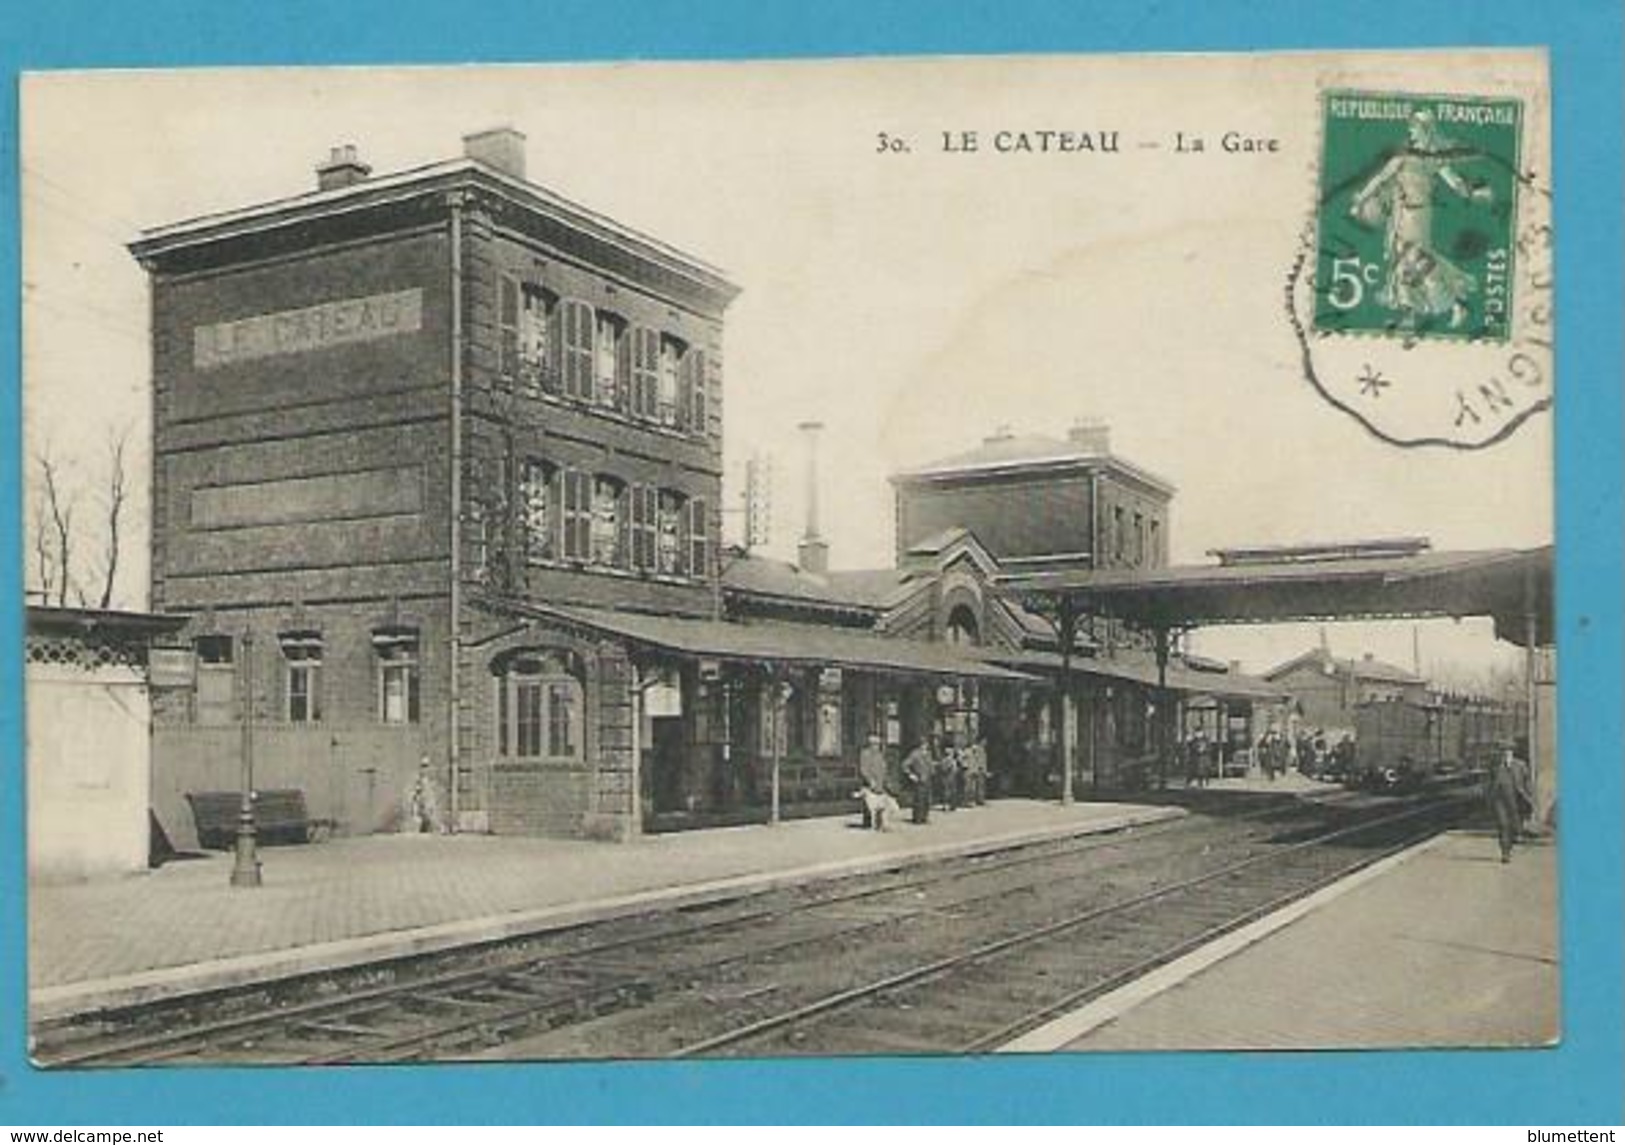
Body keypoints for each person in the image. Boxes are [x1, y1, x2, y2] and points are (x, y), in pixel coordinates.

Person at [1484, 743, 1534, 863]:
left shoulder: (1520, 765)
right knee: (1503, 825)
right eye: (1503, 751)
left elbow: (1527, 782)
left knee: (1513, 826)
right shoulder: (1495, 766)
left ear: (1512, 753)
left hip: (1516, 799)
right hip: (1499, 799)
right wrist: (1488, 797)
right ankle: (1505, 853)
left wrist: (1529, 796)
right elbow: (1489, 783)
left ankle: (1510, 845)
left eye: (1508, 751)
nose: (1506, 754)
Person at [857, 734, 889, 829]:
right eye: (875, 744)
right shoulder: (865, 754)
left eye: (878, 744)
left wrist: (884, 779)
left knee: (880, 804)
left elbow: (883, 767)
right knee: (869, 804)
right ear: (870, 744)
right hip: (870, 782)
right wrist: (869, 780)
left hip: (879, 782)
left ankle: (879, 824)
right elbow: (863, 769)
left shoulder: (879, 754)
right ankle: (868, 824)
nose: (877, 746)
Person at [902, 739, 933, 825]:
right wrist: (911, 775)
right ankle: (917, 818)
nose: (925, 746)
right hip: (919, 779)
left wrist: (932, 771)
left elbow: (930, 765)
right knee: (919, 799)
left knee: (927, 800)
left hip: (928, 779)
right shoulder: (915, 754)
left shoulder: (928, 754)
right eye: (923, 744)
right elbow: (905, 764)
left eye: (926, 744)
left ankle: (924, 817)